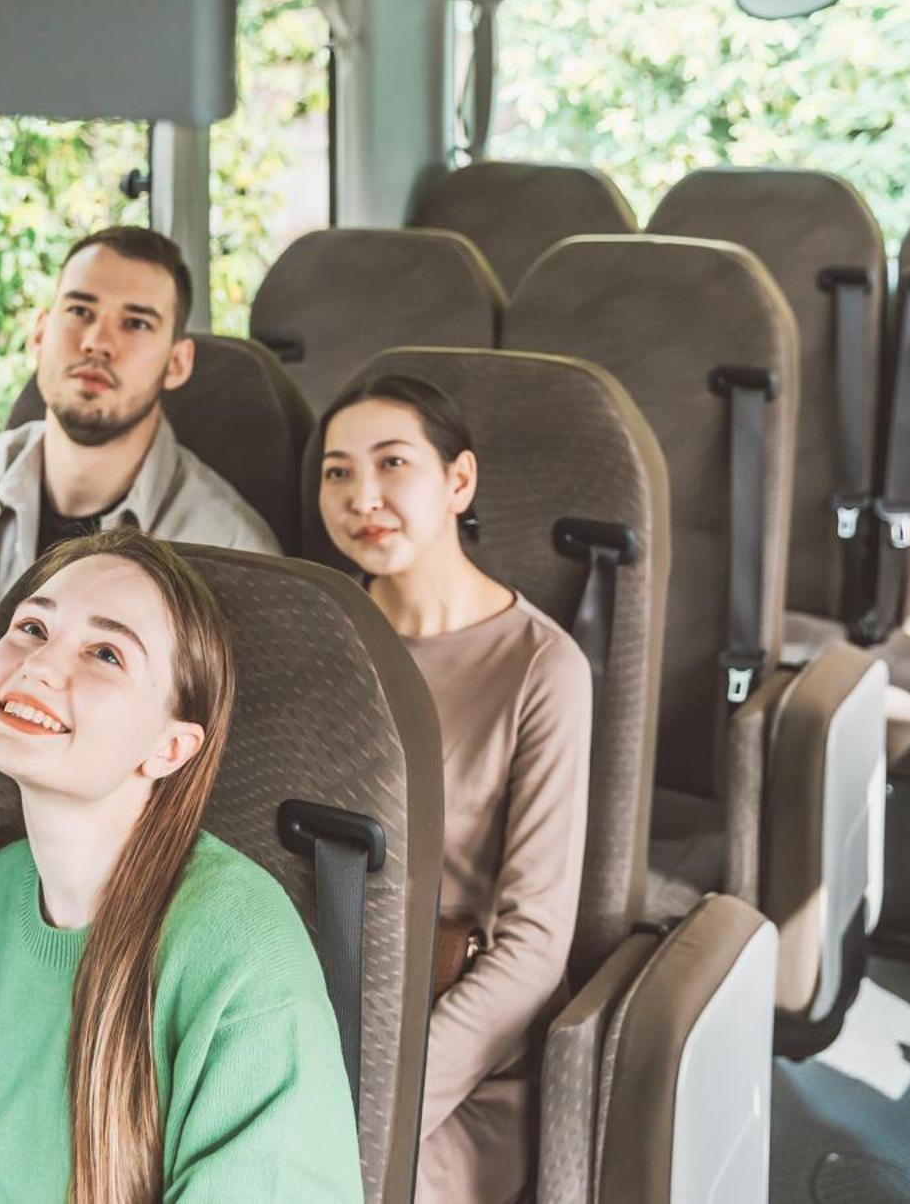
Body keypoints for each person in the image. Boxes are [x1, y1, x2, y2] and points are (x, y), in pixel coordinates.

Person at [0, 528, 361, 1203]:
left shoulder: (243, 948)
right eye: (31, 626)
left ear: (170, 747)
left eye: (104, 652)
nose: (39, 665)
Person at [317, 375, 592, 1204]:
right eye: (336, 472)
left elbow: (534, 947)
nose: (362, 495)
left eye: (392, 463)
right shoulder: (311, 634)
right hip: (306, 1005)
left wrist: (377, 1101)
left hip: (461, 1058)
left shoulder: (543, 668)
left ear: (458, 481)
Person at [0, 226, 278, 610]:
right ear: (39, 332)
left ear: (177, 363)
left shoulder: (231, 551)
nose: (97, 343)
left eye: (136, 323)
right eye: (80, 310)